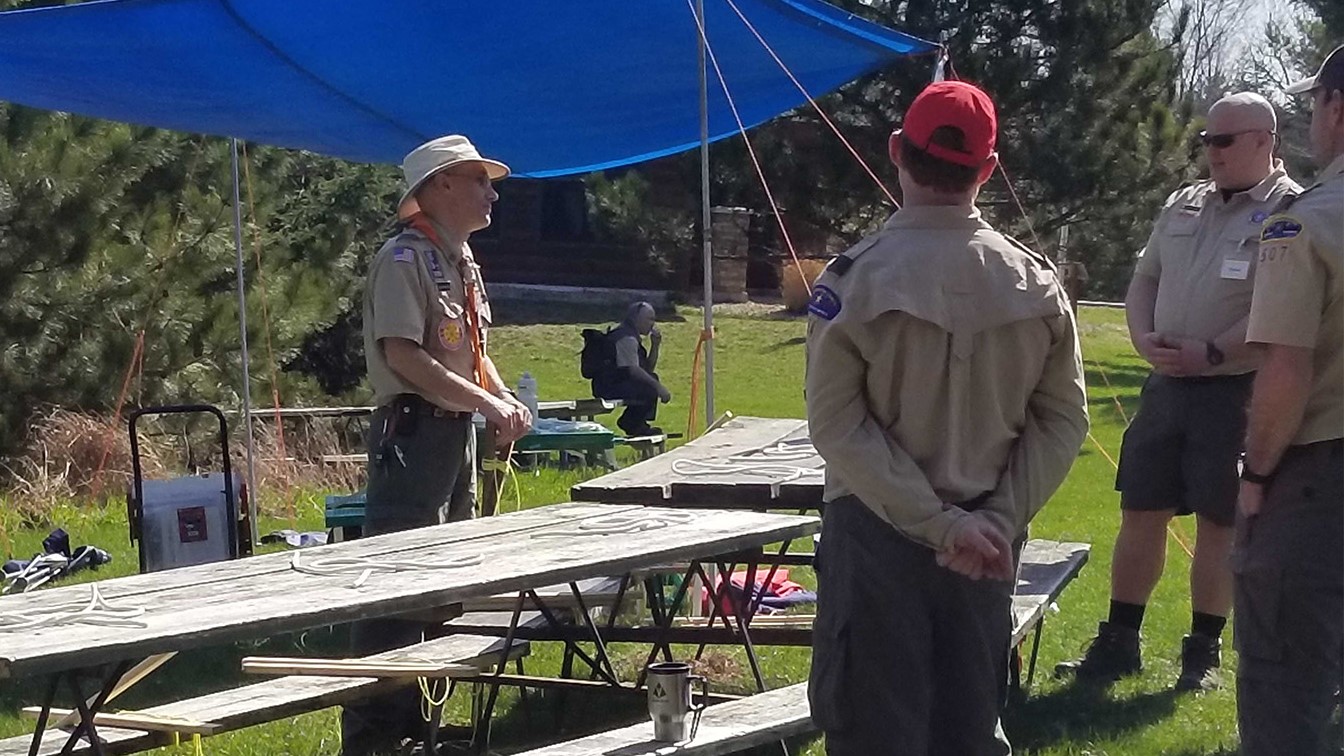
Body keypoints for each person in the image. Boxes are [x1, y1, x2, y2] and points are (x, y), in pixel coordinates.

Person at [805, 79, 1088, 755]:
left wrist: (941, 525)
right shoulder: (1035, 283)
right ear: (987, 170)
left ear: (897, 151)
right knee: (968, 727)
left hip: (878, 536)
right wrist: (991, 520)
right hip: (986, 549)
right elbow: (1063, 420)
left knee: (874, 731)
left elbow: (837, 427)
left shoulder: (854, 281)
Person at [1056, 92, 1301, 691]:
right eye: (1206, 142)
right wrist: (1143, 339)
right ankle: (1119, 640)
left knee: (1221, 521)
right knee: (1141, 509)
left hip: (1233, 387)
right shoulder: (1183, 204)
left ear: (1265, 139)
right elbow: (1145, 279)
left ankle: (1203, 654)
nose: (1211, 154)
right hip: (1167, 384)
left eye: (1224, 141)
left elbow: (1283, 309)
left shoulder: (1290, 211)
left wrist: (1214, 350)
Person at [342, 134, 533, 756]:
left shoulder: (460, 261)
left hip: (455, 435)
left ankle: (424, 726)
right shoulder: (403, 259)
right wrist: (485, 402)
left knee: (451, 578)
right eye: (479, 179)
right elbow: (403, 355)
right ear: (442, 184)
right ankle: (377, 733)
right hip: (415, 433)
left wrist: (501, 398)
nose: (492, 192)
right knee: (399, 585)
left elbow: (474, 355)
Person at [1234, 44, 1344, 755]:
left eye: (1313, 104)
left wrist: (1256, 475)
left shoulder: (1307, 222)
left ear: (1337, 109)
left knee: (1287, 685)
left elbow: (1285, 371)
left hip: (1318, 480)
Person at [592, 301, 671, 436]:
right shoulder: (626, 337)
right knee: (650, 386)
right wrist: (659, 388)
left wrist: (655, 346)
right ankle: (632, 424)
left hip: (618, 383)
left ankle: (637, 423)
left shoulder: (632, 336)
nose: (653, 323)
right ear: (636, 318)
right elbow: (633, 370)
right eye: (649, 319)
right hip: (608, 386)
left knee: (651, 380)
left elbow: (647, 370)